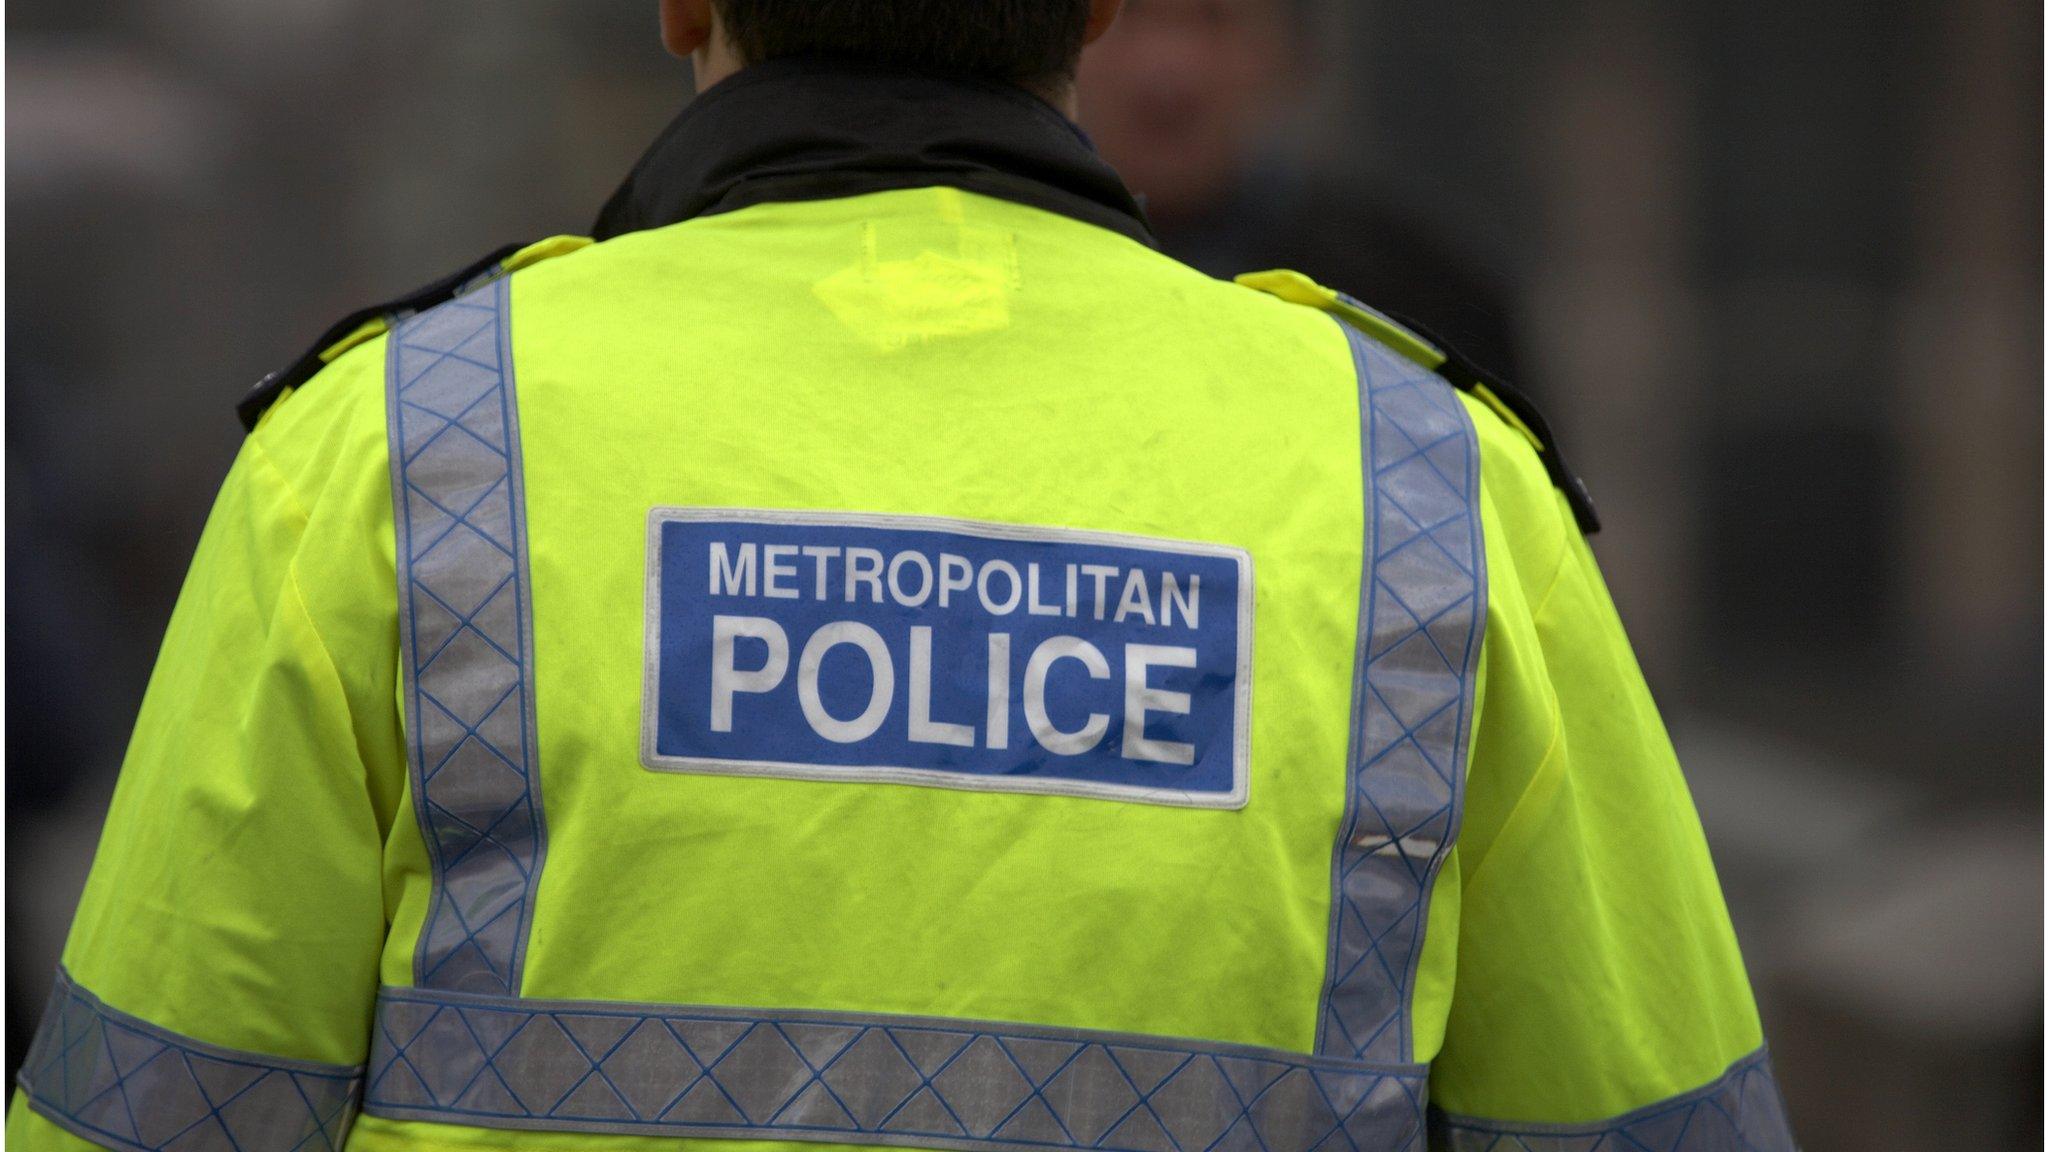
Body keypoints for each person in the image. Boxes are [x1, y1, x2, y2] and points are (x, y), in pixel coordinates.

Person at [8, 3, 1796, 1150]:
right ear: (1091, 14)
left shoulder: (395, 451)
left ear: (686, 3)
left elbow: (153, 1114)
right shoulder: (1425, 481)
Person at [1077, 0, 1526, 382]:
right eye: (1128, 15)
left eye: (1215, 18)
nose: (1168, 66)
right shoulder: (1012, 273)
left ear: (1291, 54)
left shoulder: (1425, 312)